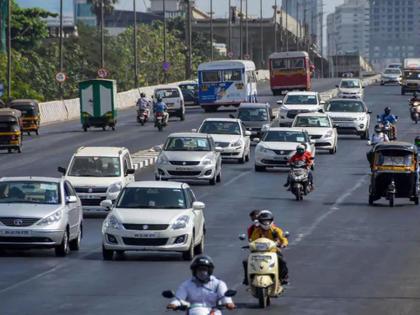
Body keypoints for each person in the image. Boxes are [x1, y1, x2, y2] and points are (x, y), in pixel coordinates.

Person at [167, 255, 236, 312]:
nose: (202, 272)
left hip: (214, 312)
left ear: (209, 271)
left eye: (204, 269)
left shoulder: (219, 284)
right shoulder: (186, 285)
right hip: (192, 311)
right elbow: (179, 298)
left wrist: (229, 303)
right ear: (194, 271)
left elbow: (225, 297)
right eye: (199, 269)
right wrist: (174, 304)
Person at [247, 210, 289, 285]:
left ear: (271, 221)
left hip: (273, 251)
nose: (266, 223)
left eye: (267, 221)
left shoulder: (276, 230)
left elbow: (283, 239)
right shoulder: (256, 231)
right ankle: (247, 278)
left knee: (282, 261)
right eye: (264, 221)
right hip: (258, 252)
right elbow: (252, 240)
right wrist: (250, 245)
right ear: (260, 221)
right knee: (246, 261)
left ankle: (283, 277)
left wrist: (284, 244)